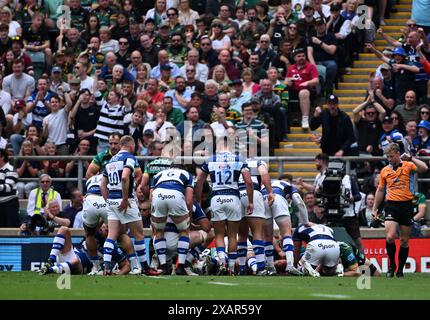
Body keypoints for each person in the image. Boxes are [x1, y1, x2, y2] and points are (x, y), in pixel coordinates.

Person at [100, 135, 161, 276]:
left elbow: (103, 184)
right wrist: (125, 198)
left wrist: (107, 200)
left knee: (111, 235)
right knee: (139, 235)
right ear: (131, 145)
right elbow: (124, 176)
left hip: (112, 201)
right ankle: (145, 267)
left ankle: (106, 267)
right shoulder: (129, 157)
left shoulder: (110, 161)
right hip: (124, 200)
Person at [195, 136, 254, 275]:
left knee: (220, 234)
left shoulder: (211, 160)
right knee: (233, 235)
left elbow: (199, 180)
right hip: (233, 197)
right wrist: (250, 201)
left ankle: (222, 261)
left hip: (217, 198)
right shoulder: (239, 159)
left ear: (219, 145)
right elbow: (249, 182)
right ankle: (232, 268)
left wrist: (198, 199)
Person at [372, 143, 428, 277]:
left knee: (404, 240)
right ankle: (392, 265)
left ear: (398, 154)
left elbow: (424, 168)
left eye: (391, 156)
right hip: (391, 205)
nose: (389, 159)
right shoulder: (385, 170)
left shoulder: (408, 165)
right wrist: (375, 208)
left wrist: (411, 158)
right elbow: (380, 190)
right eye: (388, 157)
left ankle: (400, 270)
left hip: (407, 205)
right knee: (390, 236)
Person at [150, 165, 194, 275]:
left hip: (158, 194)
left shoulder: (158, 175)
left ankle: (163, 265)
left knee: (159, 231)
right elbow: (189, 200)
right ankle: (181, 266)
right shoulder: (187, 174)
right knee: (184, 231)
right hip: (176, 194)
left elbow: (151, 198)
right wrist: (188, 216)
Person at [261, 177, 309, 275]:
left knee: (267, 237)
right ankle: (290, 265)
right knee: (287, 233)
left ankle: (270, 267)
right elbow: (299, 201)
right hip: (278, 197)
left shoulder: (266, 184)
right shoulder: (290, 186)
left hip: (263, 198)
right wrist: (305, 222)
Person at [38, 225, 130, 275]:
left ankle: (50, 270)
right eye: (104, 225)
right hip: (71, 253)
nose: (105, 227)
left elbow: (126, 265)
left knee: (76, 261)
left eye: (109, 227)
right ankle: (51, 260)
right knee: (64, 229)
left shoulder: (112, 246)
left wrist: (119, 274)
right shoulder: (92, 233)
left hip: (80, 266)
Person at [286, 48, 319, 130]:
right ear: (294, 58)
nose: (301, 57)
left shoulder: (311, 66)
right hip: (293, 90)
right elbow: (287, 80)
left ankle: (305, 119)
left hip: (308, 90)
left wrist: (307, 82)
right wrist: (288, 81)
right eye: (299, 56)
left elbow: (316, 80)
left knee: (303, 92)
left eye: (303, 56)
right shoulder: (291, 68)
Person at [0, 148, 19, 227]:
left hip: (9, 204)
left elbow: (9, 187)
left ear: (2, 157)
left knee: (10, 228)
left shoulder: (10, 169)